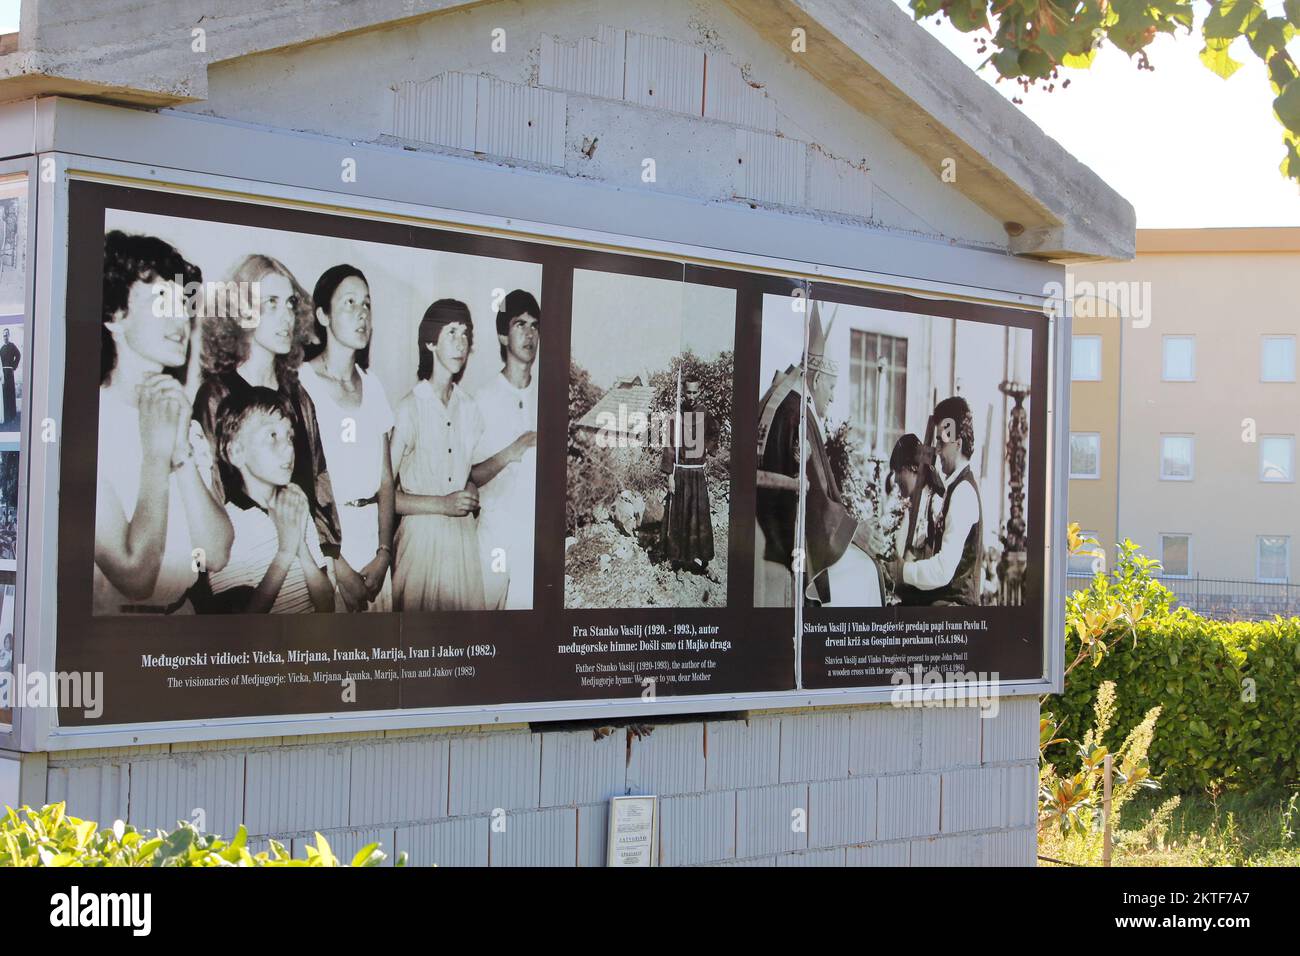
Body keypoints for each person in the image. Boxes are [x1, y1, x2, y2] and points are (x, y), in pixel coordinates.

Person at [94, 231, 233, 615]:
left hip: (182, 625)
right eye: (161, 302)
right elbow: (136, 577)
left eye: (183, 305)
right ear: (114, 317)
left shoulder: (180, 417)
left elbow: (217, 554)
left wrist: (181, 454)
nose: (181, 321)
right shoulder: (88, 424)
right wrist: (155, 457)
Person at [192, 255, 342, 566]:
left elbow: (318, 481)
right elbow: (210, 493)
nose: (286, 316)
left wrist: (333, 562)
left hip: (307, 564)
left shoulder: (298, 395)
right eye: (270, 302)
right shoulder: (216, 396)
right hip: (244, 569)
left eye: (289, 304)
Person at [755, 301, 884, 607]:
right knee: (867, 570)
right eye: (832, 387)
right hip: (789, 541)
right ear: (815, 381)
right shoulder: (798, 414)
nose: (834, 396)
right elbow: (814, 499)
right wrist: (854, 532)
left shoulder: (783, 398)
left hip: (772, 525)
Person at [300, 265, 396, 612]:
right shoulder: (302, 383)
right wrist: (339, 567)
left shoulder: (373, 386)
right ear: (323, 315)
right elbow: (301, 487)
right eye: (350, 303)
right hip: (324, 550)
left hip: (373, 547)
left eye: (367, 304)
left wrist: (384, 553)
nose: (362, 314)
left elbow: (386, 481)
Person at [390, 300, 486, 611]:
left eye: (465, 334)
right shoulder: (409, 408)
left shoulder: (470, 409)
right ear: (431, 342)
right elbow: (384, 497)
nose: (461, 343)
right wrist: (442, 504)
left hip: (461, 543)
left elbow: (466, 474)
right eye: (452, 333)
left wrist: (470, 491)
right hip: (419, 544)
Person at [206, 387, 334, 613]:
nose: (288, 447)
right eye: (272, 435)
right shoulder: (226, 527)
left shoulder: (295, 504)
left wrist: (300, 546)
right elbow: (242, 627)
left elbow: (326, 604)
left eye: (289, 436)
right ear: (236, 452)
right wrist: (285, 552)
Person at [470, 289, 539, 610]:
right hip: (493, 537)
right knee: (484, 631)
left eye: (535, 326)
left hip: (533, 542)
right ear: (502, 335)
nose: (529, 334)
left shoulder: (546, 398)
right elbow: (467, 477)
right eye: (519, 324)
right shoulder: (482, 399)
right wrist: (512, 451)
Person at [888, 395, 984, 606]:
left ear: (958, 443)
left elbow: (942, 571)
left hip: (954, 611)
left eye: (942, 441)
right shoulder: (954, 488)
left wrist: (902, 571)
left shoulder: (963, 493)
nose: (937, 450)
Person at [660, 375, 720, 579]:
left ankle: (703, 562)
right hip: (681, 472)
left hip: (697, 472)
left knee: (700, 517)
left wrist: (708, 449)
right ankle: (677, 561)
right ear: (683, 392)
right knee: (679, 516)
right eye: (688, 392)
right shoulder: (676, 416)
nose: (691, 396)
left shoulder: (705, 413)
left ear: (699, 392)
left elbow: (715, 432)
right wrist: (669, 476)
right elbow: (668, 446)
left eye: (695, 392)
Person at [887, 432, 945, 606]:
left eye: (898, 471)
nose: (895, 479)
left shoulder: (934, 505)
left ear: (912, 468)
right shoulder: (909, 507)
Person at [0, 327, 19, 427]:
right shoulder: (1, 348)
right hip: (3, 374)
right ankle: (6, 417)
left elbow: (18, 355)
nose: (5, 336)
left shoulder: (12, 346)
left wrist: (14, 367)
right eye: (3, 335)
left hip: (10, 372)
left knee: (11, 394)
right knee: (5, 395)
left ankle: (12, 416)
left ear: (9, 335)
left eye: (6, 334)